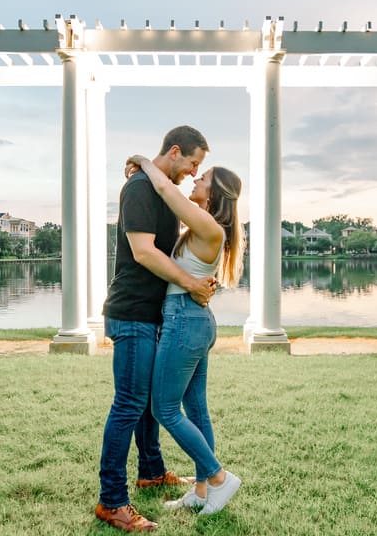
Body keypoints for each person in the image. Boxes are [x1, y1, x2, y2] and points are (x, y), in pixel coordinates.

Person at [95, 125, 218, 533]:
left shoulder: (166, 193)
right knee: (129, 403)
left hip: (155, 314)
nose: (193, 172)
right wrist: (192, 283)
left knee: (148, 403)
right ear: (177, 151)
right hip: (131, 312)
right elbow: (143, 251)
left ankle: (151, 470)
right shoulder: (140, 191)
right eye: (193, 164)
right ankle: (112, 502)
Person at [128, 153, 244, 517]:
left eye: (203, 177)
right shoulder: (200, 229)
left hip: (185, 322)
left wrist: (144, 162)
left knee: (164, 408)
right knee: (195, 408)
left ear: (216, 192)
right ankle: (200, 490)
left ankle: (219, 478)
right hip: (190, 319)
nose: (195, 180)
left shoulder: (211, 227)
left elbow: (164, 188)